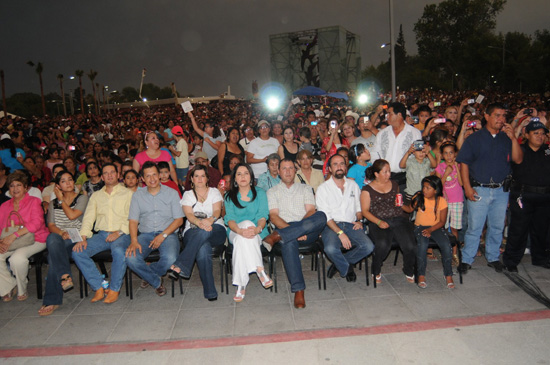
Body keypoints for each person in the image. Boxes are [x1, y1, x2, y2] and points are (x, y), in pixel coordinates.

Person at [456, 103, 523, 274]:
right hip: (480, 189)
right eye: (497, 115)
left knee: (497, 226)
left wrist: (514, 138)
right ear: (487, 116)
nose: (501, 119)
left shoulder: (506, 138)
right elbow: (464, 164)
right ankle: (467, 258)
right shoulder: (475, 139)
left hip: (501, 190)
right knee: (475, 227)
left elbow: (517, 159)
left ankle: (493, 257)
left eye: (503, 116)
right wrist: (468, 188)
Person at [263, 159, 327, 308]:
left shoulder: (305, 188)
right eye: (284, 168)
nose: (287, 171)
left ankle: (277, 236)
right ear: (278, 172)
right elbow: (273, 217)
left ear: (295, 170)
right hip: (285, 227)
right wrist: (294, 232)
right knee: (289, 241)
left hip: (306, 228)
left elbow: (311, 211)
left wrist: (300, 229)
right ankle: (299, 290)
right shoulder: (272, 192)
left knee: (321, 216)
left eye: (291, 168)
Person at [72, 163, 133, 304]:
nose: (109, 175)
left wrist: (118, 232)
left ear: (118, 175)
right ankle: (99, 286)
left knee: (118, 251)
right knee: (78, 251)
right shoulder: (96, 196)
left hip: (122, 233)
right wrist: (83, 238)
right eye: (106, 173)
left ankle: (114, 289)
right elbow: (88, 218)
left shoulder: (128, 193)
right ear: (102, 177)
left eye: (113, 172)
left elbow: (132, 217)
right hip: (102, 235)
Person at [168, 165, 226, 301]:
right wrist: (199, 223)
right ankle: (210, 292)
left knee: (205, 233)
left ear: (207, 178)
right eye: (196, 176)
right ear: (192, 179)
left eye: (202, 176)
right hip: (193, 230)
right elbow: (188, 214)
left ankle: (181, 264)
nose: (199, 179)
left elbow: (217, 211)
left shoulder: (214, 192)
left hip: (216, 228)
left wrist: (210, 220)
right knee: (203, 248)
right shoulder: (188, 194)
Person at [125, 161, 183, 297]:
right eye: (148, 176)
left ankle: (148, 273)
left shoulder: (172, 193)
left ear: (159, 175)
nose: (152, 179)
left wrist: (162, 235)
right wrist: (134, 241)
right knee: (130, 258)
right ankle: (156, 281)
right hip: (145, 234)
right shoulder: (137, 196)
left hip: (168, 234)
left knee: (170, 258)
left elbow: (179, 220)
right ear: (143, 179)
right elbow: (133, 220)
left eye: (154, 175)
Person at [316, 154, 374, 281]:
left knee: (368, 246)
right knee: (330, 249)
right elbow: (325, 216)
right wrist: (340, 233)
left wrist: (359, 220)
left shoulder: (353, 185)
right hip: (331, 226)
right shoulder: (323, 189)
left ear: (346, 167)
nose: (339, 167)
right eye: (335, 164)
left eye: (342, 164)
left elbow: (359, 208)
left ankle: (340, 264)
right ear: (330, 169)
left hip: (351, 224)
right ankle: (347, 269)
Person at [38, 171, 88, 316]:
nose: (68, 183)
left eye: (70, 180)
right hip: (60, 237)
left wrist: (61, 200)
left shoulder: (82, 198)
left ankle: (52, 299)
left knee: (53, 257)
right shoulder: (53, 204)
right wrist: (61, 233)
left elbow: (72, 215)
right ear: (58, 185)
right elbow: (51, 225)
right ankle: (65, 275)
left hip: (77, 237)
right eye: (64, 181)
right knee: (52, 238)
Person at [503, 118, 550, 271]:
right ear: (527, 134)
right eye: (536, 133)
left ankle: (540, 258)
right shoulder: (520, 149)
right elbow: (515, 160)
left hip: (544, 197)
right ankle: (511, 261)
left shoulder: (548, 151)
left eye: (543, 133)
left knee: (541, 230)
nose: (540, 136)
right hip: (523, 196)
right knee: (518, 229)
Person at [360, 159, 416, 283]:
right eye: (385, 172)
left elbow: (399, 203)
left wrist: (410, 208)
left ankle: (408, 269)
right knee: (383, 244)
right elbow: (365, 211)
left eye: (389, 171)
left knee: (410, 245)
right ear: (376, 174)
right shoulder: (367, 190)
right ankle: (376, 269)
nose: (388, 174)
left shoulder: (394, 184)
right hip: (377, 220)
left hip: (397, 218)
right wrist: (378, 222)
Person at [224, 163, 273, 302]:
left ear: (251, 176)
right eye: (239, 174)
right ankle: (259, 269)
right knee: (244, 227)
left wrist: (257, 229)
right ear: (235, 179)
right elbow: (230, 219)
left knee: (242, 239)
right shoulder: (229, 196)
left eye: (246, 173)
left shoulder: (260, 193)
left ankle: (240, 285)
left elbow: (263, 215)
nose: (242, 176)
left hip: (257, 231)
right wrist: (240, 230)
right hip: (235, 231)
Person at [0, 171, 49, 302]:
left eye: (18, 185)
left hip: (35, 238)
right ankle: (9, 286)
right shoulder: (4, 206)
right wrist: (1, 242)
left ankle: (22, 288)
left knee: (17, 259)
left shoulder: (34, 201)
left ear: (25, 187)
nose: (15, 189)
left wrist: (13, 236)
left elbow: (36, 224)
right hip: (12, 241)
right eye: (11, 186)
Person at [404, 176, 454, 289]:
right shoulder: (419, 197)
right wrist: (400, 205)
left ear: (435, 190)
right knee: (422, 246)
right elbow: (409, 209)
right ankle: (421, 274)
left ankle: (448, 275)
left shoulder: (441, 201)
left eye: (428, 188)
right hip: (420, 227)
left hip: (436, 227)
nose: (424, 190)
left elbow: (442, 221)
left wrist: (431, 230)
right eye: (423, 187)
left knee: (446, 246)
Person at [373, 102, 422, 189]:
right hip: (384, 178)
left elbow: (419, 156)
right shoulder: (382, 133)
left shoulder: (415, 133)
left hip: (406, 179)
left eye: (390, 114)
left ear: (399, 115)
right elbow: (375, 154)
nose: (387, 116)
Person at [434, 141, 463, 265]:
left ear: (455, 153)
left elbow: (462, 183)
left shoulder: (459, 166)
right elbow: (439, 185)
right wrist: (446, 173)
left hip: (457, 200)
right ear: (442, 155)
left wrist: (456, 168)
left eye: (451, 153)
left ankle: (454, 252)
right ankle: (446, 251)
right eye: (446, 153)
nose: (449, 156)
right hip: (444, 201)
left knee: (454, 228)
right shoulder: (439, 167)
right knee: (444, 227)